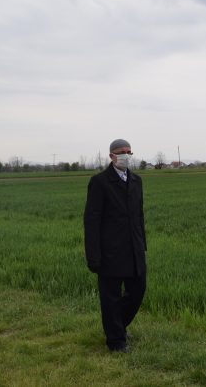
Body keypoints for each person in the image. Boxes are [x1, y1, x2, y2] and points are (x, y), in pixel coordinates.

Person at [84, 139, 147, 352]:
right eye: (122, 152)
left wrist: (142, 245)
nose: (126, 155)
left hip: (134, 249)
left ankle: (116, 327)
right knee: (111, 298)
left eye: (129, 151)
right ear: (112, 155)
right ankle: (116, 341)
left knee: (137, 292)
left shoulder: (137, 181)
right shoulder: (100, 182)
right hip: (110, 251)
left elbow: (139, 216)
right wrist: (93, 255)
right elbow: (91, 221)